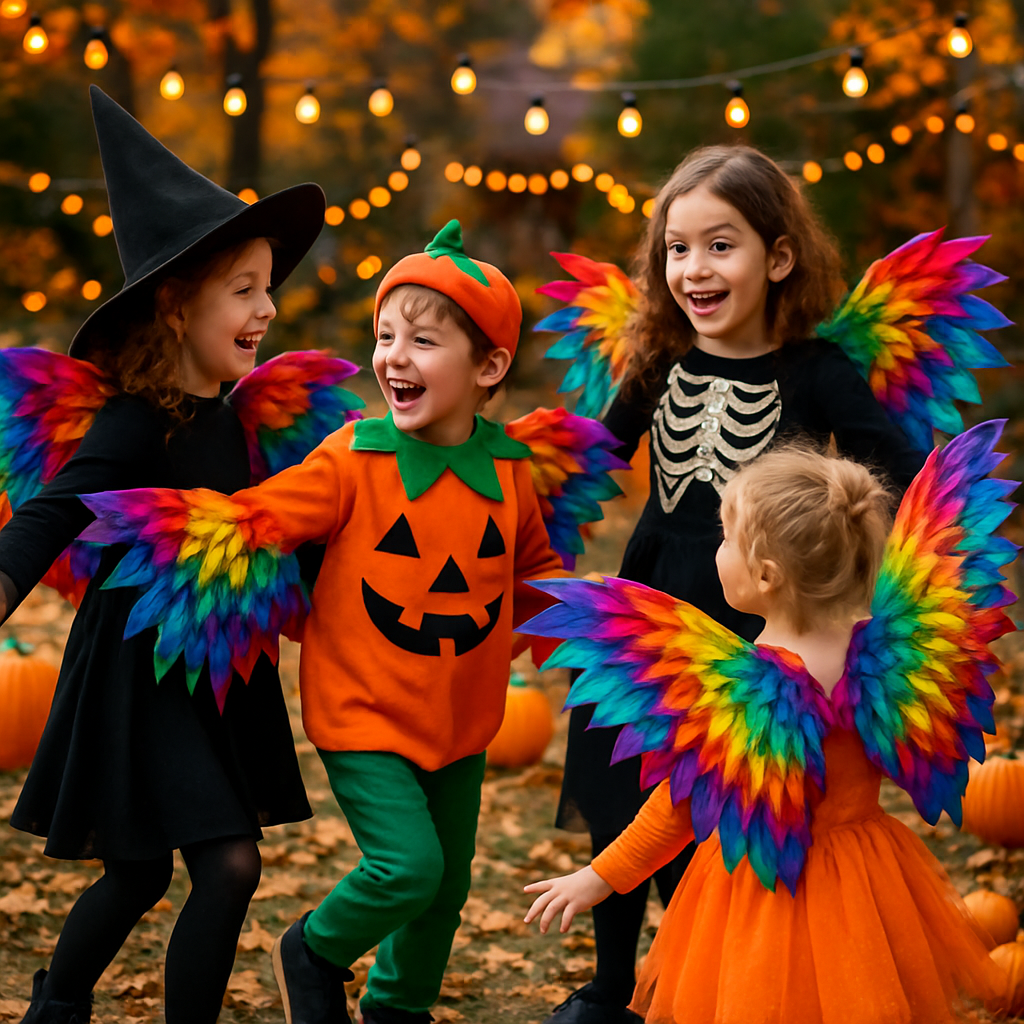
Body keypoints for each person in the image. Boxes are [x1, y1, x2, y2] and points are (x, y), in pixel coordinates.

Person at [78, 220, 596, 1024]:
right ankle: (312, 950)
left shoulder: (510, 471)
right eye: (386, 336)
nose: (394, 356)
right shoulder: (354, 458)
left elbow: (530, 574)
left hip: (464, 717)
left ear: (489, 366)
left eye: (423, 341)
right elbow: (258, 519)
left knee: (445, 887)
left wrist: (586, 638)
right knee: (408, 867)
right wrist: (181, 521)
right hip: (364, 712)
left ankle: (398, 1007)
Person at [546, 145, 926, 1024]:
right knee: (619, 779)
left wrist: (856, 575)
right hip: (654, 603)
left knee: (720, 802)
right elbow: (599, 454)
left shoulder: (817, 370)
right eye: (676, 249)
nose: (693, 269)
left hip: (752, 616)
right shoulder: (656, 359)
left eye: (720, 245)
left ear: (778, 257)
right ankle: (613, 987)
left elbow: (896, 473)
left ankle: (703, 979)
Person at [0, 87, 333, 1024]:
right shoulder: (133, 419)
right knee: (222, 865)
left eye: (270, 287)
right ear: (179, 306)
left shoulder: (241, 419)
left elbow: (287, 529)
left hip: (217, 665)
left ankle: (55, 1003)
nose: (269, 308)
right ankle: (61, 1002)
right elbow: (58, 506)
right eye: (246, 289)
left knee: (144, 871)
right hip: (139, 671)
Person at [524, 430, 1013, 1024]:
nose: (717, 549)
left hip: (766, 887)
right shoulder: (892, 658)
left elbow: (679, 805)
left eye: (727, 537)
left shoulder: (743, 692)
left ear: (766, 576)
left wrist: (601, 876)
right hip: (866, 878)